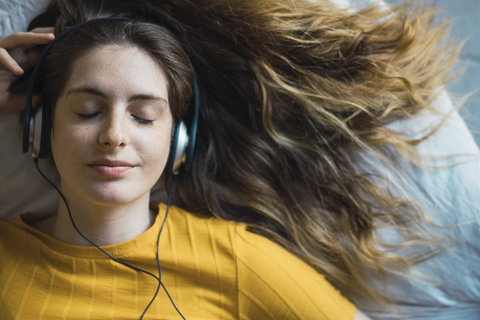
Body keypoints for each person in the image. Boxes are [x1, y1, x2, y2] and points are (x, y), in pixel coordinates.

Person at [1, 0, 478, 319]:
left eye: (145, 117)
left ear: (178, 140)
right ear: (38, 130)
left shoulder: (233, 260)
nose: (113, 136)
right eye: (88, 111)